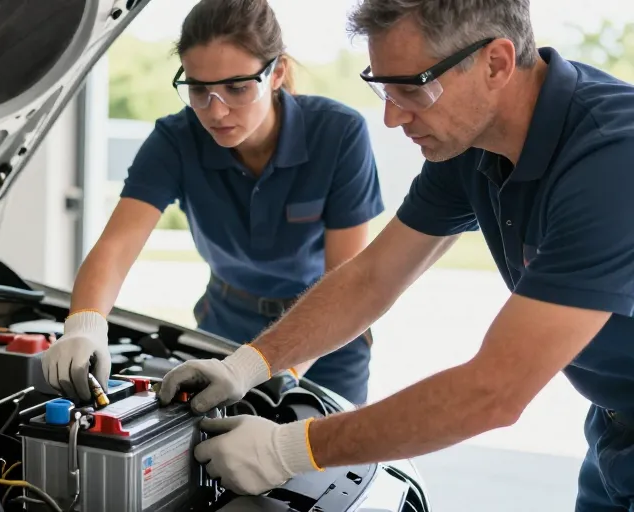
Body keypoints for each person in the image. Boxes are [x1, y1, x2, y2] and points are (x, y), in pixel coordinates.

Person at [156, 0, 634, 507]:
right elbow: (372, 276)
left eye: (412, 88)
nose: (391, 116)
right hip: (611, 427)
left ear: (496, 62)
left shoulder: (612, 160)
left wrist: (288, 449)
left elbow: (494, 390)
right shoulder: (472, 144)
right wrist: (248, 366)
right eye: (383, 87)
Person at [40, 0, 385, 407]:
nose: (215, 110)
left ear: (277, 73)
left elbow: (345, 282)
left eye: (237, 87)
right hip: (225, 327)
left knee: (325, 460)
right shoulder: (175, 141)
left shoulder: (339, 133)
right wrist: (84, 325)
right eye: (199, 89)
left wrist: (275, 373)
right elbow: (115, 249)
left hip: (328, 339)